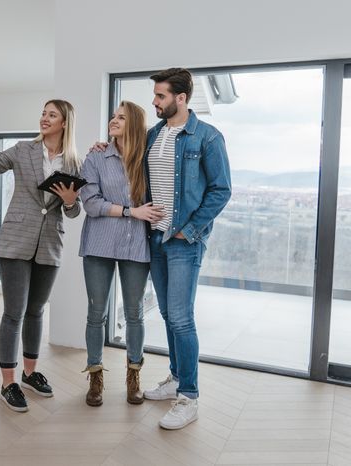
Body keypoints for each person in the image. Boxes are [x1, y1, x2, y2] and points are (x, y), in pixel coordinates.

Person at [0, 100, 82, 412]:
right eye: (43, 113)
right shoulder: (22, 149)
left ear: (65, 123)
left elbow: (75, 210)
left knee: (37, 311)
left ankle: (30, 374)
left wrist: (68, 201)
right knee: (14, 312)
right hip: (14, 241)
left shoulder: (75, 162)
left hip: (50, 243)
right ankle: (8, 382)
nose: (44, 118)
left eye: (52, 115)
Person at [140, 68, 232, 430]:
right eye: (155, 95)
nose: (155, 101)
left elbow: (221, 190)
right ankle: (176, 378)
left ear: (181, 98)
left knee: (181, 318)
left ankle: (189, 397)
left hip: (183, 242)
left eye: (160, 96)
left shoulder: (207, 137)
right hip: (155, 238)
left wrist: (190, 230)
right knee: (166, 314)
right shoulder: (153, 134)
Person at [79, 101, 164, 407]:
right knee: (96, 314)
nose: (113, 121)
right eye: (113, 116)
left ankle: (133, 377)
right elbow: (91, 203)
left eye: (121, 117)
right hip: (99, 245)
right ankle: (96, 378)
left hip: (135, 246)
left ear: (135, 124)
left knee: (134, 314)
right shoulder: (96, 156)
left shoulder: (147, 159)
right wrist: (132, 211)